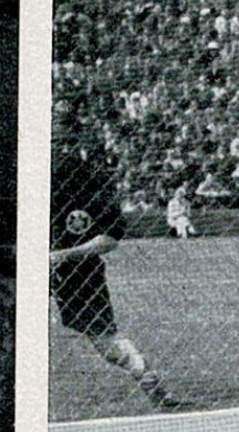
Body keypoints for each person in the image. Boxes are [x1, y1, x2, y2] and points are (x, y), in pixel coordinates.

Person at [51, 121, 176, 409]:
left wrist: (64, 254)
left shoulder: (95, 186)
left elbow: (109, 239)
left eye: (65, 144)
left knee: (106, 343)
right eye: (56, 144)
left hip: (77, 271)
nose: (60, 151)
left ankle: (147, 378)